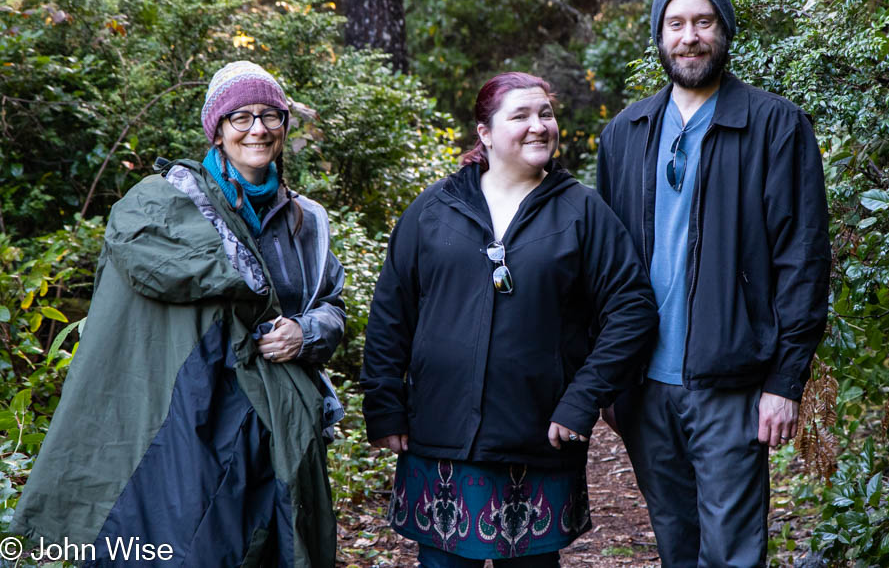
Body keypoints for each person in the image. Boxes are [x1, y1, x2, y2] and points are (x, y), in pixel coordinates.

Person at [12, 61, 346, 567]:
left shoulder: (308, 220)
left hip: (279, 427)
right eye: (241, 117)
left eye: (270, 116)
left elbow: (332, 306)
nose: (257, 128)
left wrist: (307, 331)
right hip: (193, 421)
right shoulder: (172, 208)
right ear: (217, 129)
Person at [360, 72, 658, 568]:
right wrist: (384, 404)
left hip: (538, 437)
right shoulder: (434, 210)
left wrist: (582, 398)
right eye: (520, 116)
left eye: (545, 113)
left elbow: (632, 309)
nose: (539, 126)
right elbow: (392, 311)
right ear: (485, 133)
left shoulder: (582, 211)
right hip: (441, 438)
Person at [596, 0, 831, 566]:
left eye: (703, 21)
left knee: (731, 553)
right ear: (659, 35)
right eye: (676, 23)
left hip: (732, 381)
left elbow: (802, 260)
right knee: (676, 545)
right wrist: (603, 376)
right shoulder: (624, 133)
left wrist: (785, 382)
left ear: (724, 31)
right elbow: (600, 266)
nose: (690, 36)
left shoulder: (776, 125)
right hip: (644, 385)